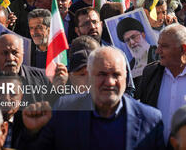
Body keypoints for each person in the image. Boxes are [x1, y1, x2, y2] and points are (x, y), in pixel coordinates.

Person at [20, 46, 165, 150]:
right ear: (89, 76)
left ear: (126, 77)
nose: (109, 82)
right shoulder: (65, 109)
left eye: (116, 74)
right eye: (102, 74)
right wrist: (32, 132)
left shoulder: (150, 119)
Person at [137, 24, 186, 142]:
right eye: (158, 45)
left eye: (164, 46)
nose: (157, 51)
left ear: (183, 49)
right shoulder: (150, 72)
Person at [116, 17, 158, 83]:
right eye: (127, 40)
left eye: (134, 37)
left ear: (143, 35)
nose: (132, 42)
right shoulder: (131, 65)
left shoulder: (157, 53)